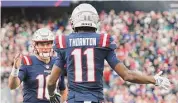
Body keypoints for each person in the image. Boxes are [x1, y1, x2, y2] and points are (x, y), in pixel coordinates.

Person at [47, 3, 171, 103]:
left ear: (74, 21)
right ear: (95, 21)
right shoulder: (103, 41)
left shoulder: (64, 42)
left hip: (74, 100)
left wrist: (52, 94)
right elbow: (127, 75)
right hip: (96, 99)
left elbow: (52, 81)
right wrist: (154, 79)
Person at [8, 28, 67, 103]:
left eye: (48, 44)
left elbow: (63, 90)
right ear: (35, 45)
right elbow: (12, 86)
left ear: (52, 44)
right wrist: (15, 69)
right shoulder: (28, 61)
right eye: (42, 44)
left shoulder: (57, 62)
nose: (45, 48)